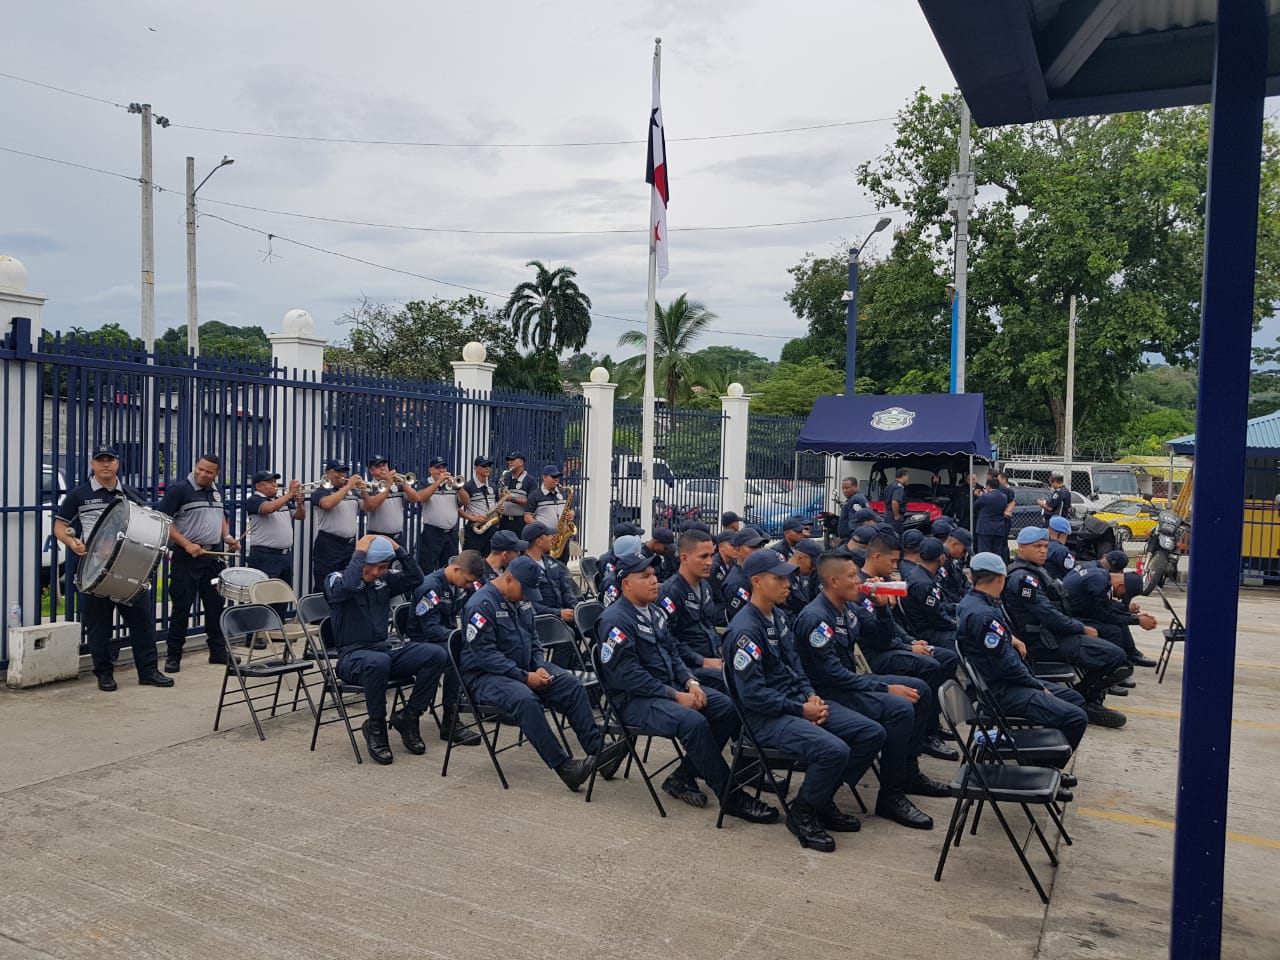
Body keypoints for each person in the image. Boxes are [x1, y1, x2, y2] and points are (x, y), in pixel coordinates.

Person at [596, 552, 778, 823]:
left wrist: (690, 682)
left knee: (728, 709)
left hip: (667, 687)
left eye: (654, 574)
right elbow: (627, 677)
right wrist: (675, 695)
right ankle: (731, 796)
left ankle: (683, 775)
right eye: (645, 576)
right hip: (634, 700)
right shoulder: (616, 620)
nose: (654, 580)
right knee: (694, 723)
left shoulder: (653, 611)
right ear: (626, 585)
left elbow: (672, 653)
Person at [725, 549, 883, 852]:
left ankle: (821, 799)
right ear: (756, 582)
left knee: (870, 732)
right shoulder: (746, 630)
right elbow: (752, 696)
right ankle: (802, 813)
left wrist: (810, 695)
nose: (788, 584)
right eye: (779, 578)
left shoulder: (779, 617)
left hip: (796, 703)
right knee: (834, 750)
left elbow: (795, 667)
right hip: (767, 718)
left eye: (788, 578)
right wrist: (800, 710)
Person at [794, 550, 950, 829]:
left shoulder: (848, 608)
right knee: (900, 708)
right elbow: (833, 675)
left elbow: (882, 639)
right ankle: (890, 793)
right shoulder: (817, 618)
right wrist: (885, 688)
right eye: (852, 576)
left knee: (921, 690)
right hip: (828, 693)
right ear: (833, 581)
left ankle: (907, 773)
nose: (859, 581)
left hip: (849, 684)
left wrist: (881, 608)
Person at [461, 555, 622, 792]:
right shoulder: (481, 605)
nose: (527, 597)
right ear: (509, 579)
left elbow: (534, 640)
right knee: (525, 700)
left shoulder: (522, 602)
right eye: (524, 591)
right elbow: (486, 656)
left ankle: (599, 753)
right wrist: (525, 677)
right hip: (485, 677)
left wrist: (539, 666)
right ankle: (565, 768)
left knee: (571, 685)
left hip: (524, 668)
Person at [54, 445, 173, 692]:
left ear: (117, 464)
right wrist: (72, 543)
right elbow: (59, 526)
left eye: (110, 460)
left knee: (142, 623)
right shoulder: (79, 495)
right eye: (101, 460)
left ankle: (148, 671)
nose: (105, 464)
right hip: (94, 571)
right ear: (93, 465)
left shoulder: (130, 493)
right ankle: (104, 674)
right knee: (99, 627)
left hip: (130, 570)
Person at [324, 535, 441, 764]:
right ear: (361, 560)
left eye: (383, 567)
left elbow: (416, 578)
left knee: (435, 654)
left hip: (383, 650)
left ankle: (409, 716)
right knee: (378, 662)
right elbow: (347, 588)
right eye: (374, 566)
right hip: (353, 657)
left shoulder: (384, 580)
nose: (378, 572)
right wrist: (359, 553)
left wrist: (398, 549)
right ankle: (375, 726)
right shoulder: (336, 579)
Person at [957, 553, 1089, 751]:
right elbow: (1006, 665)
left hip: (999, 681)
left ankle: (1043, 751)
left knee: (1074, 699)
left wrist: (1010, 638)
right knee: (1076, 718)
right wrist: (1035, 685)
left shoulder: (971, 603)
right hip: (1001, 690)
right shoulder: (984, 614)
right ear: (1001, 579)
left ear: (971, 576)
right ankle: (1044, 762)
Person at [1002, 527, 1132, 728]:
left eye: (1045, 546)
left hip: (1053, 635)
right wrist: (1080, 628)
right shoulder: (1023, 579)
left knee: (1116, 654)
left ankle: (1085, 698)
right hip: (1042, 641)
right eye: (1037, 546)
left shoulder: (1036, 570)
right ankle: (1088, 701)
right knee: (1114, 656)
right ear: (1021, 548)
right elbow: (1048, 614)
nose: (1043, 550)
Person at [856, 530, 961, 761]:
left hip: (894, 644)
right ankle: (924, 734)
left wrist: (911, 641)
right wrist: (908, 648)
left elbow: (894, 624)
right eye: (892, 561)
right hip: (874, 654)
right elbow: (876, 636)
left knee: (946, 658)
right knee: (929, 666)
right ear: (876, 557)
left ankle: (931, 722)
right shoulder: (863, 588)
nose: (896, 567)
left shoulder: (882, 582)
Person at [159, 454, 239, 672]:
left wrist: (227, 536)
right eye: (200, 469)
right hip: (187, 558)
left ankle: (218, 652)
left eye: (209, 472)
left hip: (212, 557)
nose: (203, 474)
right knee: (182, 608)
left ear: (217, 474)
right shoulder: (179, 490)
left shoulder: (215, 491)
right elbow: (163, 521)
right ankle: (173, 655)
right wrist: (186, 544)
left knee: (215, 606)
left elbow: (219, 516)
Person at [403, 550, 487, 746]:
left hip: (444, 638)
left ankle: (469, 707)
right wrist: (460, 637)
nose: (468, 586)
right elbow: (431, 630)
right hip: (423, 642)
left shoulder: (461, 583)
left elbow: (476, 607)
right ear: (456, 569)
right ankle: (448, 720)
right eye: (467, 581)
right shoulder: (430, 586)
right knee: (456, 656)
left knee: (476, 649)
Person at [658, 529, 727, 689]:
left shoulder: (705, 587)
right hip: (688, 668)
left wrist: (721, 649)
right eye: (703, 556)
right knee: (732, 680)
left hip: (712, 658)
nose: (710, 562)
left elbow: (709, 626)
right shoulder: (671, 593)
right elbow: (667, 639)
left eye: (711, 555)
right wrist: (701, 661)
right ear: (684, 558)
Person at [1063, 567, 1159, 668]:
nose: (1119, 598)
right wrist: (1137, 620)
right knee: (1114, 631)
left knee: (1121, 621)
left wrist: (1130, 614)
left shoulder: (1102, 576)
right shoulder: (1099, 585)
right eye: (1122, 595)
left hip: (1078, 613)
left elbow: (1106, 606)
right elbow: (1106, 615)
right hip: (1070, 618)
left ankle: (1130, 654)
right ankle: (1111, 667)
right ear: (1120, 585)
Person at [243, 470, 305, 617]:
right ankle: (258, 630)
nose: (274, 485)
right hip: (265, 555)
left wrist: (299, 504)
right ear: (259, 486)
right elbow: (269, 509)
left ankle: (278, 627)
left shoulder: (280, 500)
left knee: (281, 597)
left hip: (284, 556)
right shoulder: (254, 500)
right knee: (263, 598)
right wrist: (290, 493)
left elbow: (300, 516)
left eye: (274, 481)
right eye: (269, 482)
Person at [310, 459, 369, 592]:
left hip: (349, 545)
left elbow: (369, 507)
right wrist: (348, 487)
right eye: (338, 471)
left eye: (344, 471)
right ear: (328, 473)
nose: (342, 475)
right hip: (329, 544)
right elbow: (327, 504)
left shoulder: (352, 492)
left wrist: (364, 491)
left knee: (347, 582)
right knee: (324, 584)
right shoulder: (321, 491)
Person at [899, 537, 958, 650]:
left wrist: (956, 607)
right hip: (927, 632)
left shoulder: (917, 573)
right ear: (941, 558)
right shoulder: (925, 584)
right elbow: (938, 619)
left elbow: (940, 605)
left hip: (928, 626)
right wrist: (957, 624)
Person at [415, 456, 470, 572]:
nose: (442, 470)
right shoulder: (424, 483)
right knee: (427, 567)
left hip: (451, 533)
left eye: (444, 467)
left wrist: (459, 488)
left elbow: (466, 502)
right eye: (438, 468)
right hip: (432, 533)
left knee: (450, 568)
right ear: (431, 470)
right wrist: (438, 482)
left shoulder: (452, 484)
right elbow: (420, 497)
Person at [522, 521, 581, 623]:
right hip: (544, 620)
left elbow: (565, 589)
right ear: (539, 542)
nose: (552, 538)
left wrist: (575, 608)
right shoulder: (523, 567)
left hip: (564, 615)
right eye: (548, 535)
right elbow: (528, 604)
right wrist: (558, 613)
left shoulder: (551, 561)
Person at [363, 454, 428, 542]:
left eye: (384, 465)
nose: (383, 468)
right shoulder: (369, 487)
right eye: (378, 466)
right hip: (377, 536)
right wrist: (388, 484)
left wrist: (403, 483)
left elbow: (415, 498)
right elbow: (372, 506)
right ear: (371, 470)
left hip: (397, 536)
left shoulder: (397, 485)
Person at [524, 463, 575, 562]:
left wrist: (572, 513)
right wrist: (542, 530)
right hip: (546, 539)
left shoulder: (563, 493)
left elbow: (570, 509)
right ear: (544, 477)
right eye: (553, 477)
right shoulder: (535, 495)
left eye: (558, 477)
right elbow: (527, 517)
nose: (556, 480)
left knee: (562, 565)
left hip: (562, 538)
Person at [722, 527, 768, 620]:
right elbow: (739, 619)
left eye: (760, 546)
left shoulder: (755, 573)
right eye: (753, 547)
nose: (758, 550)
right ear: (738, 550)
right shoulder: (736, 584)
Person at [459, 456, 500, 555]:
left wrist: (499, 509)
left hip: (491, 527)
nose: (487, 468)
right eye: (484, 465)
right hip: (475, 528)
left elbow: (497, 504)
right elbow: (456, 508)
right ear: (475, 468)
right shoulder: (468, 486)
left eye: (489, 465)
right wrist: (472, 517)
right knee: (471, 558)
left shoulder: (493, 486)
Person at [497, 451, 537, 535]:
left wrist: (511, 499)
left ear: (521, 462)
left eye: (512, 460)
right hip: (504, 520)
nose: (509, 462)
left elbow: (532, 503)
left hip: (520, 522)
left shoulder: (530, 480)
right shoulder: (506, 478)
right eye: (508, 460)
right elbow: (500, 498)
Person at [973, 475, 1008, 558]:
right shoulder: (1004, 497)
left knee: (984, 552)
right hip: (998, 528)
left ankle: (985, 566)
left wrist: (978, 496)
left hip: (985, 528)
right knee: (996, 552)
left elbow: (975, 506)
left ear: (988, 486)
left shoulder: (985, 496)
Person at [937, 527, 972, 605]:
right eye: (964, 550)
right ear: (954, 544)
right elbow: (942, 590)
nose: (964, 554)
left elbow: (963, 581)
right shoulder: (940, 561)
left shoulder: (955, 560)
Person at [1044, 515, 1077, 581]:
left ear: (1049, 529)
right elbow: (1073, 572)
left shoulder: (1041, 545)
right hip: (1058, 584)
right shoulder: (1063, 551)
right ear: (1063, 534)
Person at [837, 477, 869, 542]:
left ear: (856, 487)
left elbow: (854, 522)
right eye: (843, 488)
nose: (844, 491)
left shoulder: (855, 500)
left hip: (850, 539)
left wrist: (853, 540)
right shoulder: (859, 497)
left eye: (847, 488)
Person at [884, 467, 910, 533]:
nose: (907, 478)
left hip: (887, 514)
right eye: (907, 476)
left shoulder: (890, 485)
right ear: (903, 476)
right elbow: (894, 502)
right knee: (896, 535)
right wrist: (896, 515)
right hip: (894, 516)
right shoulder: (899, 487)